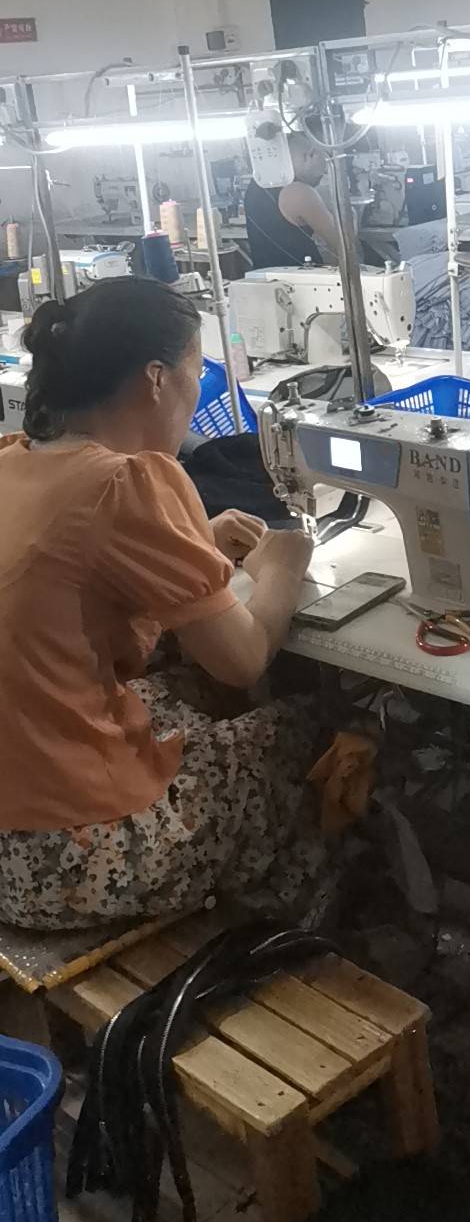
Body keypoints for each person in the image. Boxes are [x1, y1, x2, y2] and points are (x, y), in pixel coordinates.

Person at [0, 278, 336, 931]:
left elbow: (71, 574)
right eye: (197, 371)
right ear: (156, 379)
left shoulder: (14, 460)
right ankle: (291, 930)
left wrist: (194, 546)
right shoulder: (129, 481)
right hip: (74, 858)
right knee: (313, 726)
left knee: (178, 692)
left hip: (9, 842)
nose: (197, 391)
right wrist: (284, 566)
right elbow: (242, 660)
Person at [245, 130, 341, 269]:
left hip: (264, 276)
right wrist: (351, 216)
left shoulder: (257, 184)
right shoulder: (298, 192)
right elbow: (342, 245)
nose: (323, 173)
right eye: (325, 166)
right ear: (312, 154)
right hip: (301, 279)